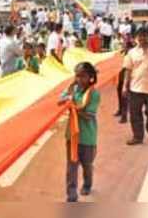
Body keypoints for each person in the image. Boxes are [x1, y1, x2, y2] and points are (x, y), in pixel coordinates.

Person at [59, 62, 101, 202]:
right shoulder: (73, 89)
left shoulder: (94, 94)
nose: (79, 79)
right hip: (72, 135)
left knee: (87, 165)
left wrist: (73, 107)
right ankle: (71, 195)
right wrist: (67, 98)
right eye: (77, 76)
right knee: (71, 167)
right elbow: (60, 100)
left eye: (82, 76)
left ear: (90, 77)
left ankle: (87, 184)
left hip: (87, 137)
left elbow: (89, 115)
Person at [123, 28, 148, 145]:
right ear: (136, 38)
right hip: (135, 89)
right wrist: (125, 86)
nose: (142, 38)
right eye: (140, 36)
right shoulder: (132, 52)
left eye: (145, 35)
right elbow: (128, 70)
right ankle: (138, 137)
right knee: (135, 114)